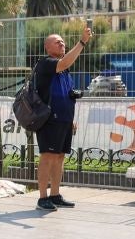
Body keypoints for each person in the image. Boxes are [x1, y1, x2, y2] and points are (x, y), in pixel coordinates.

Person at [34, 25, 92, 211]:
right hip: (49, 120)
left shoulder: (64, 71)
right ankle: (42, 198)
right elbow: (65, 62)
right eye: (57, 42)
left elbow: (66, 93)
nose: (62, 44)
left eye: (63, 42)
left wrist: (71, 119)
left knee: (59, 157)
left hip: (64, 119)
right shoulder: (46, 63)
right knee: (48, 156)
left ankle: (55, 195)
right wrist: (82, 42)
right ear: (47, 47)